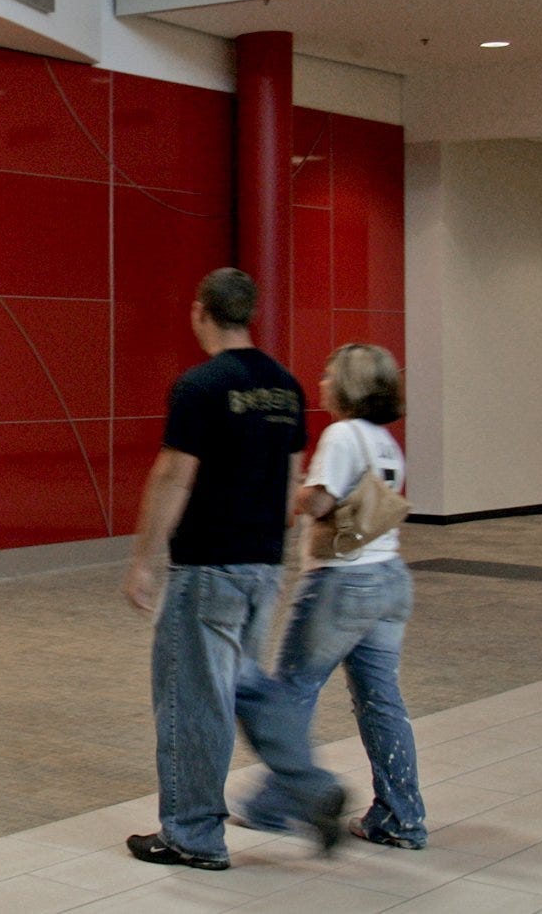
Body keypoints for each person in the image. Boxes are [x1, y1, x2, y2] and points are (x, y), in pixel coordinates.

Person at [122, 267, 340, 870]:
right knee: (243, 684)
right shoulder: (286, 387)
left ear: (201, 312)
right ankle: (312, 786)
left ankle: (192, 834)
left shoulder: (200, 386)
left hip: (206, 569)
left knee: (193, 699)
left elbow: (174, 475)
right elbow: (291, 479)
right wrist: (275, 554)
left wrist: (144, 561)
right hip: (262, 567)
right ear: (249, 314)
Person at [237, 344, 427, 849]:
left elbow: (320, 502)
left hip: (341, 583)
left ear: (348, 384)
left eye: (327, 374)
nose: (320, 382)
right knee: (381, 702)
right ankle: (402, 817)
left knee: (290, 692)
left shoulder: (341, 435)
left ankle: (277, 805)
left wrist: (295, 488)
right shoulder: (386, 443)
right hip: (389, 579)